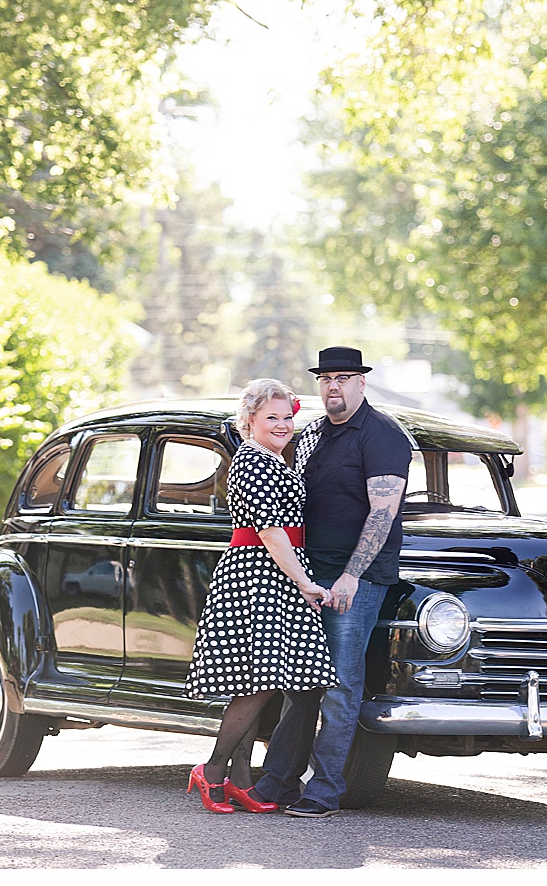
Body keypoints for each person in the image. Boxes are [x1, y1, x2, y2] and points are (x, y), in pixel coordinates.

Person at [250, 346, 413, 817]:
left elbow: (384, 512)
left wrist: (351, 576)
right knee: (299, 682)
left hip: (355, 580)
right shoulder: (314, 432)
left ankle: (324, 789)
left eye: (344, 377)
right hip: (308, 575)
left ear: (362, 382)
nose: (334, 386)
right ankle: (278, 782)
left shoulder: (383, 436)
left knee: (341, 684)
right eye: (326, 378)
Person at [183, 378, 336, 814]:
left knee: (258, 681)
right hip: (259, 575)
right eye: (272, 417)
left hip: (273, 575)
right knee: (258, 683)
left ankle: (242, 780)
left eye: (288, 417)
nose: (283, 425)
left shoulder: (275, 458)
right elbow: (271, 532)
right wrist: (305, 582)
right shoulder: (254, 460)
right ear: (250, 419)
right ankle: (212, 772)